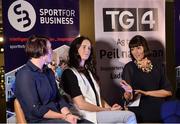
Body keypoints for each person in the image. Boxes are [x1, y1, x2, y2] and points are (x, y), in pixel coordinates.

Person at [15, 35, 90, 123]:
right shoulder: (25, 75)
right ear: (42, 51)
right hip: (40, 120)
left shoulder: (48, 72)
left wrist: (68, 115)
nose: (52, 51)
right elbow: (36, 110)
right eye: (50, 48)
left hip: (58, 117)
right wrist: (63, 116)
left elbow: (59, 98)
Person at [61, 36, 137, 123]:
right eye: (84, 47)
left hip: (98, 113)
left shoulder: (89, 71)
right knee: (130, 116)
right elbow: (81, 104)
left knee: (120, 120)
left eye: (89, 48)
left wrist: (110, 108)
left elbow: (98, 98)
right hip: (86, 115)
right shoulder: (69, 73)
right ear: (75, 49)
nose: (87, 50)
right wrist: (106, 111)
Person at [120, 35, 172, 123]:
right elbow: (128, 96)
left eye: (138, 48)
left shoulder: (158, 66)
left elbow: (168, 92)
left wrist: (146, 93)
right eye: (132, 49)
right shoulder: (129, 67)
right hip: (139, 110)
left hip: (159, 109)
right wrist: (127, 95)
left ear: (145, 48)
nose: (135, 52)